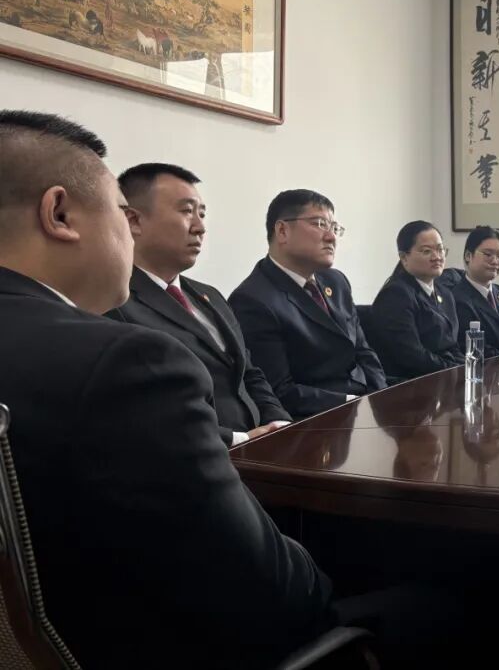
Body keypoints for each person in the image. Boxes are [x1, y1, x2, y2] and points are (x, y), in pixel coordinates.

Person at [0, 111, 332, 668]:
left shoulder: (196, 303)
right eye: (119, 211)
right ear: (60, 214)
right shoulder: (124, 362)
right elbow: (269, 589)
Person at [109, 163, 292, 447]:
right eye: (186, 211)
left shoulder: (210, 296)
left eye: (202, 214)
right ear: (133, 220)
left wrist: (280, 423)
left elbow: (249, 373)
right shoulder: (114, 301)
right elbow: (144, 408)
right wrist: (239, 439)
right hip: (197, 455)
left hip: (260, 450)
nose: (200, 227)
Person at [229, 189, 386, 419]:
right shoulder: (252, 300)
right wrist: (354, 403)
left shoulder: (336, 281)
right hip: (317, 420)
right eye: (320, 224)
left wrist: (382, 397)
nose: (331, 237)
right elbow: (279, 391)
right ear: (282, 231)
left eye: (334, 228)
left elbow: (364, 351)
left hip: (365, 406)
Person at [369, 221, 465, 381]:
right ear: (404, 257)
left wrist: (467, 367)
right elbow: (412, 356)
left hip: (443, 377)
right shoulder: (395, 295)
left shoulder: (445, 293)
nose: (437, 257)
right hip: (412, 382)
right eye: (427, 251)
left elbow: (452, 345)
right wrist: (454, 370)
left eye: (440, 249)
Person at [442, 225, 499, 357]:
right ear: (468, 256)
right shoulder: (456, 298)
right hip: (487, 368)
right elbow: (476, 349)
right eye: (488, 254)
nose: (495, 261)